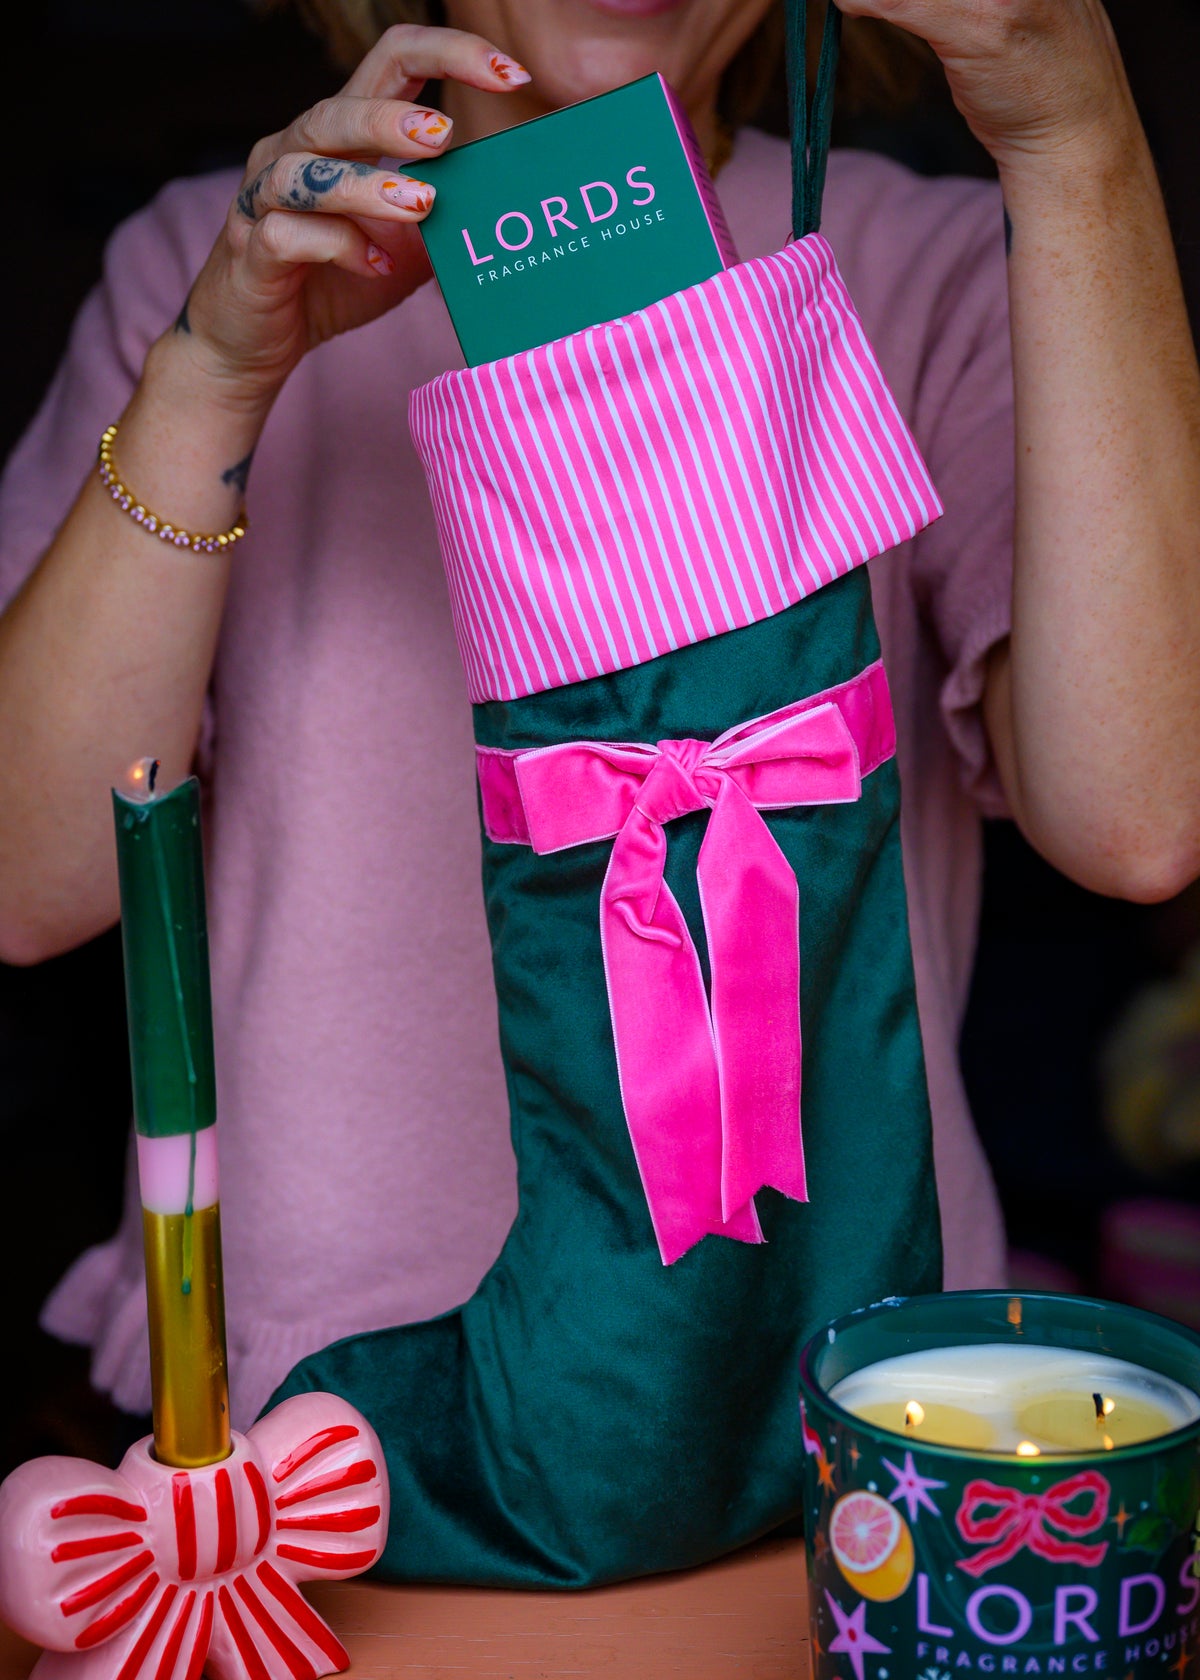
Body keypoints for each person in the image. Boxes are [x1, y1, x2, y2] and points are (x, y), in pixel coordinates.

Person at [1, 0, 1198, 1432]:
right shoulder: (208, 264)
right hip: (318, 1413)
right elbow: (27, 882)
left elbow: (1143, 822)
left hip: (851, 1395)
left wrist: (1079, 141)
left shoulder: (931, 267)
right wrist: (212, 377)